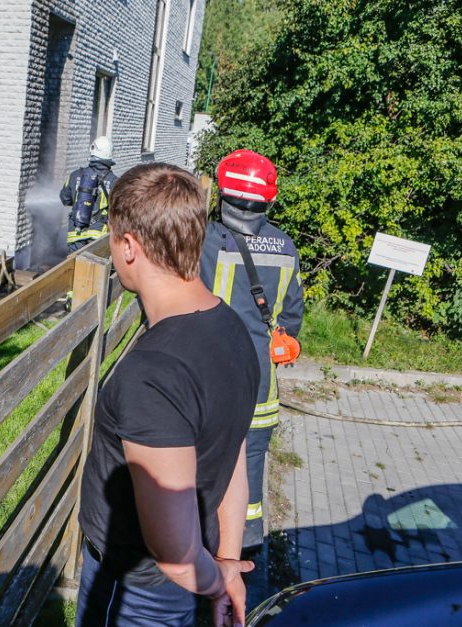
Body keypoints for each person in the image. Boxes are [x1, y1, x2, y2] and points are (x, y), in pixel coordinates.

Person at [77, 163, 260, 627]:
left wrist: (218, 580)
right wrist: (227, 559)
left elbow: (176, 556)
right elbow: (234, 454)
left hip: (135, 591)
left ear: (130, 247)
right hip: (192, 572)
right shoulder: (232, 329)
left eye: (114, 239)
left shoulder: (152, 375)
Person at [199, 149, 304, 553]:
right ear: (269, 199)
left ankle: (202, 542)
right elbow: (292, 317)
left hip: (211, 381)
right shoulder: (285, 246)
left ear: (221, 194)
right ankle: (247, 547)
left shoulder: (206, 241)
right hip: (261, 386)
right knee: (252, 466)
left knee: (205, 463)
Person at [61, 136, 118, 252]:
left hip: (75, 236)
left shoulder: (74, 175)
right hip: (98, 237)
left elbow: (65, 199)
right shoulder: (115, 181)